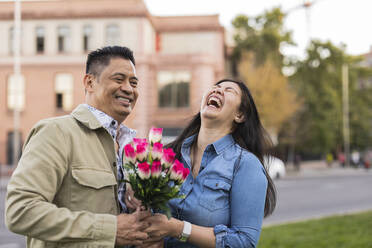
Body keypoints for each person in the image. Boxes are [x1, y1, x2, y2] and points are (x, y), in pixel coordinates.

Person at [5, 46, 151, 248]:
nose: (128, 88)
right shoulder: (56, 132)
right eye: (119, 79)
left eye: (134, 82)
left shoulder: (132, 148)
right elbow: (20, 211)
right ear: (89, 82)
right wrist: (109, 229)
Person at [127, 79, 276, 248]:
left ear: (239, 115)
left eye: (229, 90)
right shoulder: (167, 155)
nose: (218, 91)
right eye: (215, 87)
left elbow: (244, 242)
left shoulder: (245, 165)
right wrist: (133, 191)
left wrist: (178, 229)